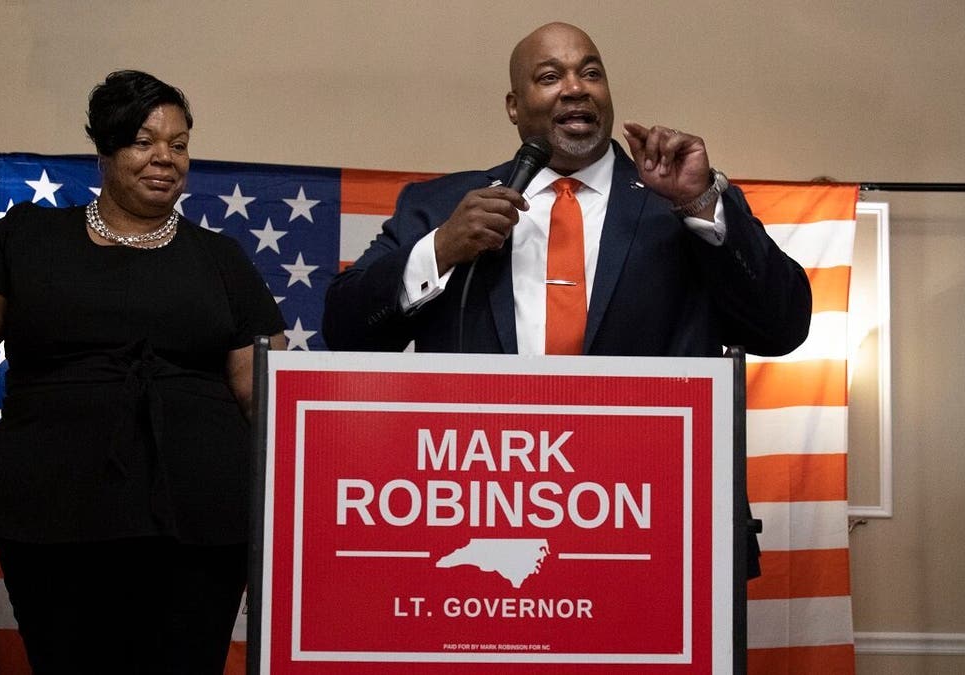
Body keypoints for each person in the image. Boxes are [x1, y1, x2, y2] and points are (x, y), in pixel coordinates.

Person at [323, 22, 815, 577]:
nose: (576, 87)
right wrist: (439, 249)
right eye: (550, 76)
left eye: (591, 73)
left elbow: (784, 325)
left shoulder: (679, 201)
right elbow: (344, 330)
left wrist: (701, 205)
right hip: (490, 520)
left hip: (656, 521)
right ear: (515, 105)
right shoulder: (443, 206)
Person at [0, 72, 286, 674]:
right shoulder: (28, 237)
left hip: (201, 526)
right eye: (143, 141)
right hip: (54, 521)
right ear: (104, 148)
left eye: (179, 144)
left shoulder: (220, 258)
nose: (165, 159)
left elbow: (267, 397)